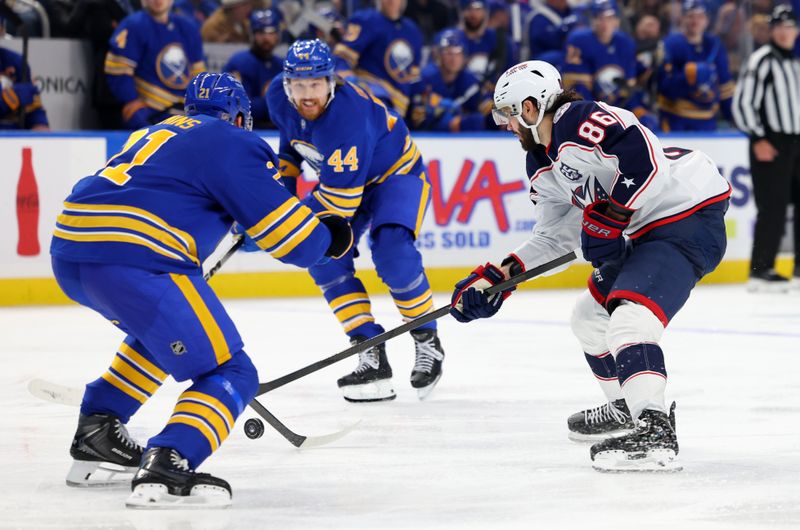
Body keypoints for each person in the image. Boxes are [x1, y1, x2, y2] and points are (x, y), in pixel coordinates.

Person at [50, 72, 353, 508]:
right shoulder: (233, 140)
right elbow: (294, 241)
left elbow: (174, 198)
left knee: (160, 336)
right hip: (136, 259)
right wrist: (330, 239)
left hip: (72, 254)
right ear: (237, 115)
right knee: (232, 373)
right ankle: (171, 458)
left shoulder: (155, 132)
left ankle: (100, 426)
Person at [450, 60, 730, 471]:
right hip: (640, 230)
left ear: (530, 107)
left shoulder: (577, 119)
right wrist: (501, 276)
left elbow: (646, 162)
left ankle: (654, 428)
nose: (505, 125)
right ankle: (625, 408)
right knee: (587, 318)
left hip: (684, 217)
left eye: (507, 114)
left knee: (630, 322)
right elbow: (554, 237)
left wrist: (613, 215)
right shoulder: (540, 163)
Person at [267, 39, 446, 402]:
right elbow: (290, 146)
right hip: (344, 180)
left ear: (332, 82)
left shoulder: (347, 117)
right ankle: (368, 347)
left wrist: (281, 222)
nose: (307, 94)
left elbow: (340, 205)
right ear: (287, 84)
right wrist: (277, 201)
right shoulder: (276, 95)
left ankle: (427, 339)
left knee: (392, 250)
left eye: (315, 84)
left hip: (395, 175)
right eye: (299, 85)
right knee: (323, 256)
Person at [733, 4, 800, 292]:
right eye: (780, 27)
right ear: (772, 30)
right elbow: (743, 103)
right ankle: (761, 270)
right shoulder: (762, 60)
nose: (786, 33)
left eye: (790, 27)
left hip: (796, 141)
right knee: (772, 206)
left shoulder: (795, 63)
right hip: (771, 141)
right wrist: (758, 138)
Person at [104, 0, 206, 129]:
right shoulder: (132, 26)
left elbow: (198, 75)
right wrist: (132, 102)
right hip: (150, 110)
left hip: (185, 111)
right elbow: (118, 71)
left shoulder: (188, 28)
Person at [563, 0, 657, 130]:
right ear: (592, 20)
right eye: (599, 18)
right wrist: (596, 114)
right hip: (591, 107)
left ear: (617, 21)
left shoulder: (625, 43)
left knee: (648, 122)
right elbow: (578, 90)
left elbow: (628, 89)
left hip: (618, 106)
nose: (604, 23)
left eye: (609, 18)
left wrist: (636, 109)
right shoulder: (579, 41)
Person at [333, 0, 424, 117]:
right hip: (371, 96)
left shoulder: (412, 30)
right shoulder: (365, 20)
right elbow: (341, 58)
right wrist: (352, 82)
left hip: (399, 107)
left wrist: (419, 100)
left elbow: (414, 76)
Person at [656, 0, 735, 131]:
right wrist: (688, 76)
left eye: (700, 17)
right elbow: (663, 87)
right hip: (675, 119)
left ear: (707, 20)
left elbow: (725, 86)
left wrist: (733, 117)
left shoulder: (715, 45)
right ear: (682, 19)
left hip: (708, 120)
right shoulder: (669, 44)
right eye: (690, 16)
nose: (695, 21)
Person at [410, 28, 493, 132]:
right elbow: (417, 121)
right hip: (427, 138)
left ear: (464, 55)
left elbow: (488, 110)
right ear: (438, 55)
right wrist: (441, 114)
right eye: (448, 53)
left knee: (477, 121)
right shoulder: (424, 79)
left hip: (462, 140)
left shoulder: (471, 81)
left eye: (457, 52)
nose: (454, 58)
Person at [223, 7, 283, 128]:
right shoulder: (238, 62)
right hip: (246, 130)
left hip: (277, 130)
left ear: (277, 35)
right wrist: (274, 102)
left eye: (271, 33)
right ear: (252, 34)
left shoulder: (282, 65)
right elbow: (238, 108)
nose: (267, 38)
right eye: (261, 32)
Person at [0, 14, 49, 130]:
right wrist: (11, 96)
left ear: (2, 31)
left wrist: (40, 126)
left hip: (15, 137)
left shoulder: (15, 61)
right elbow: (18, 94)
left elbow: (33, 107)